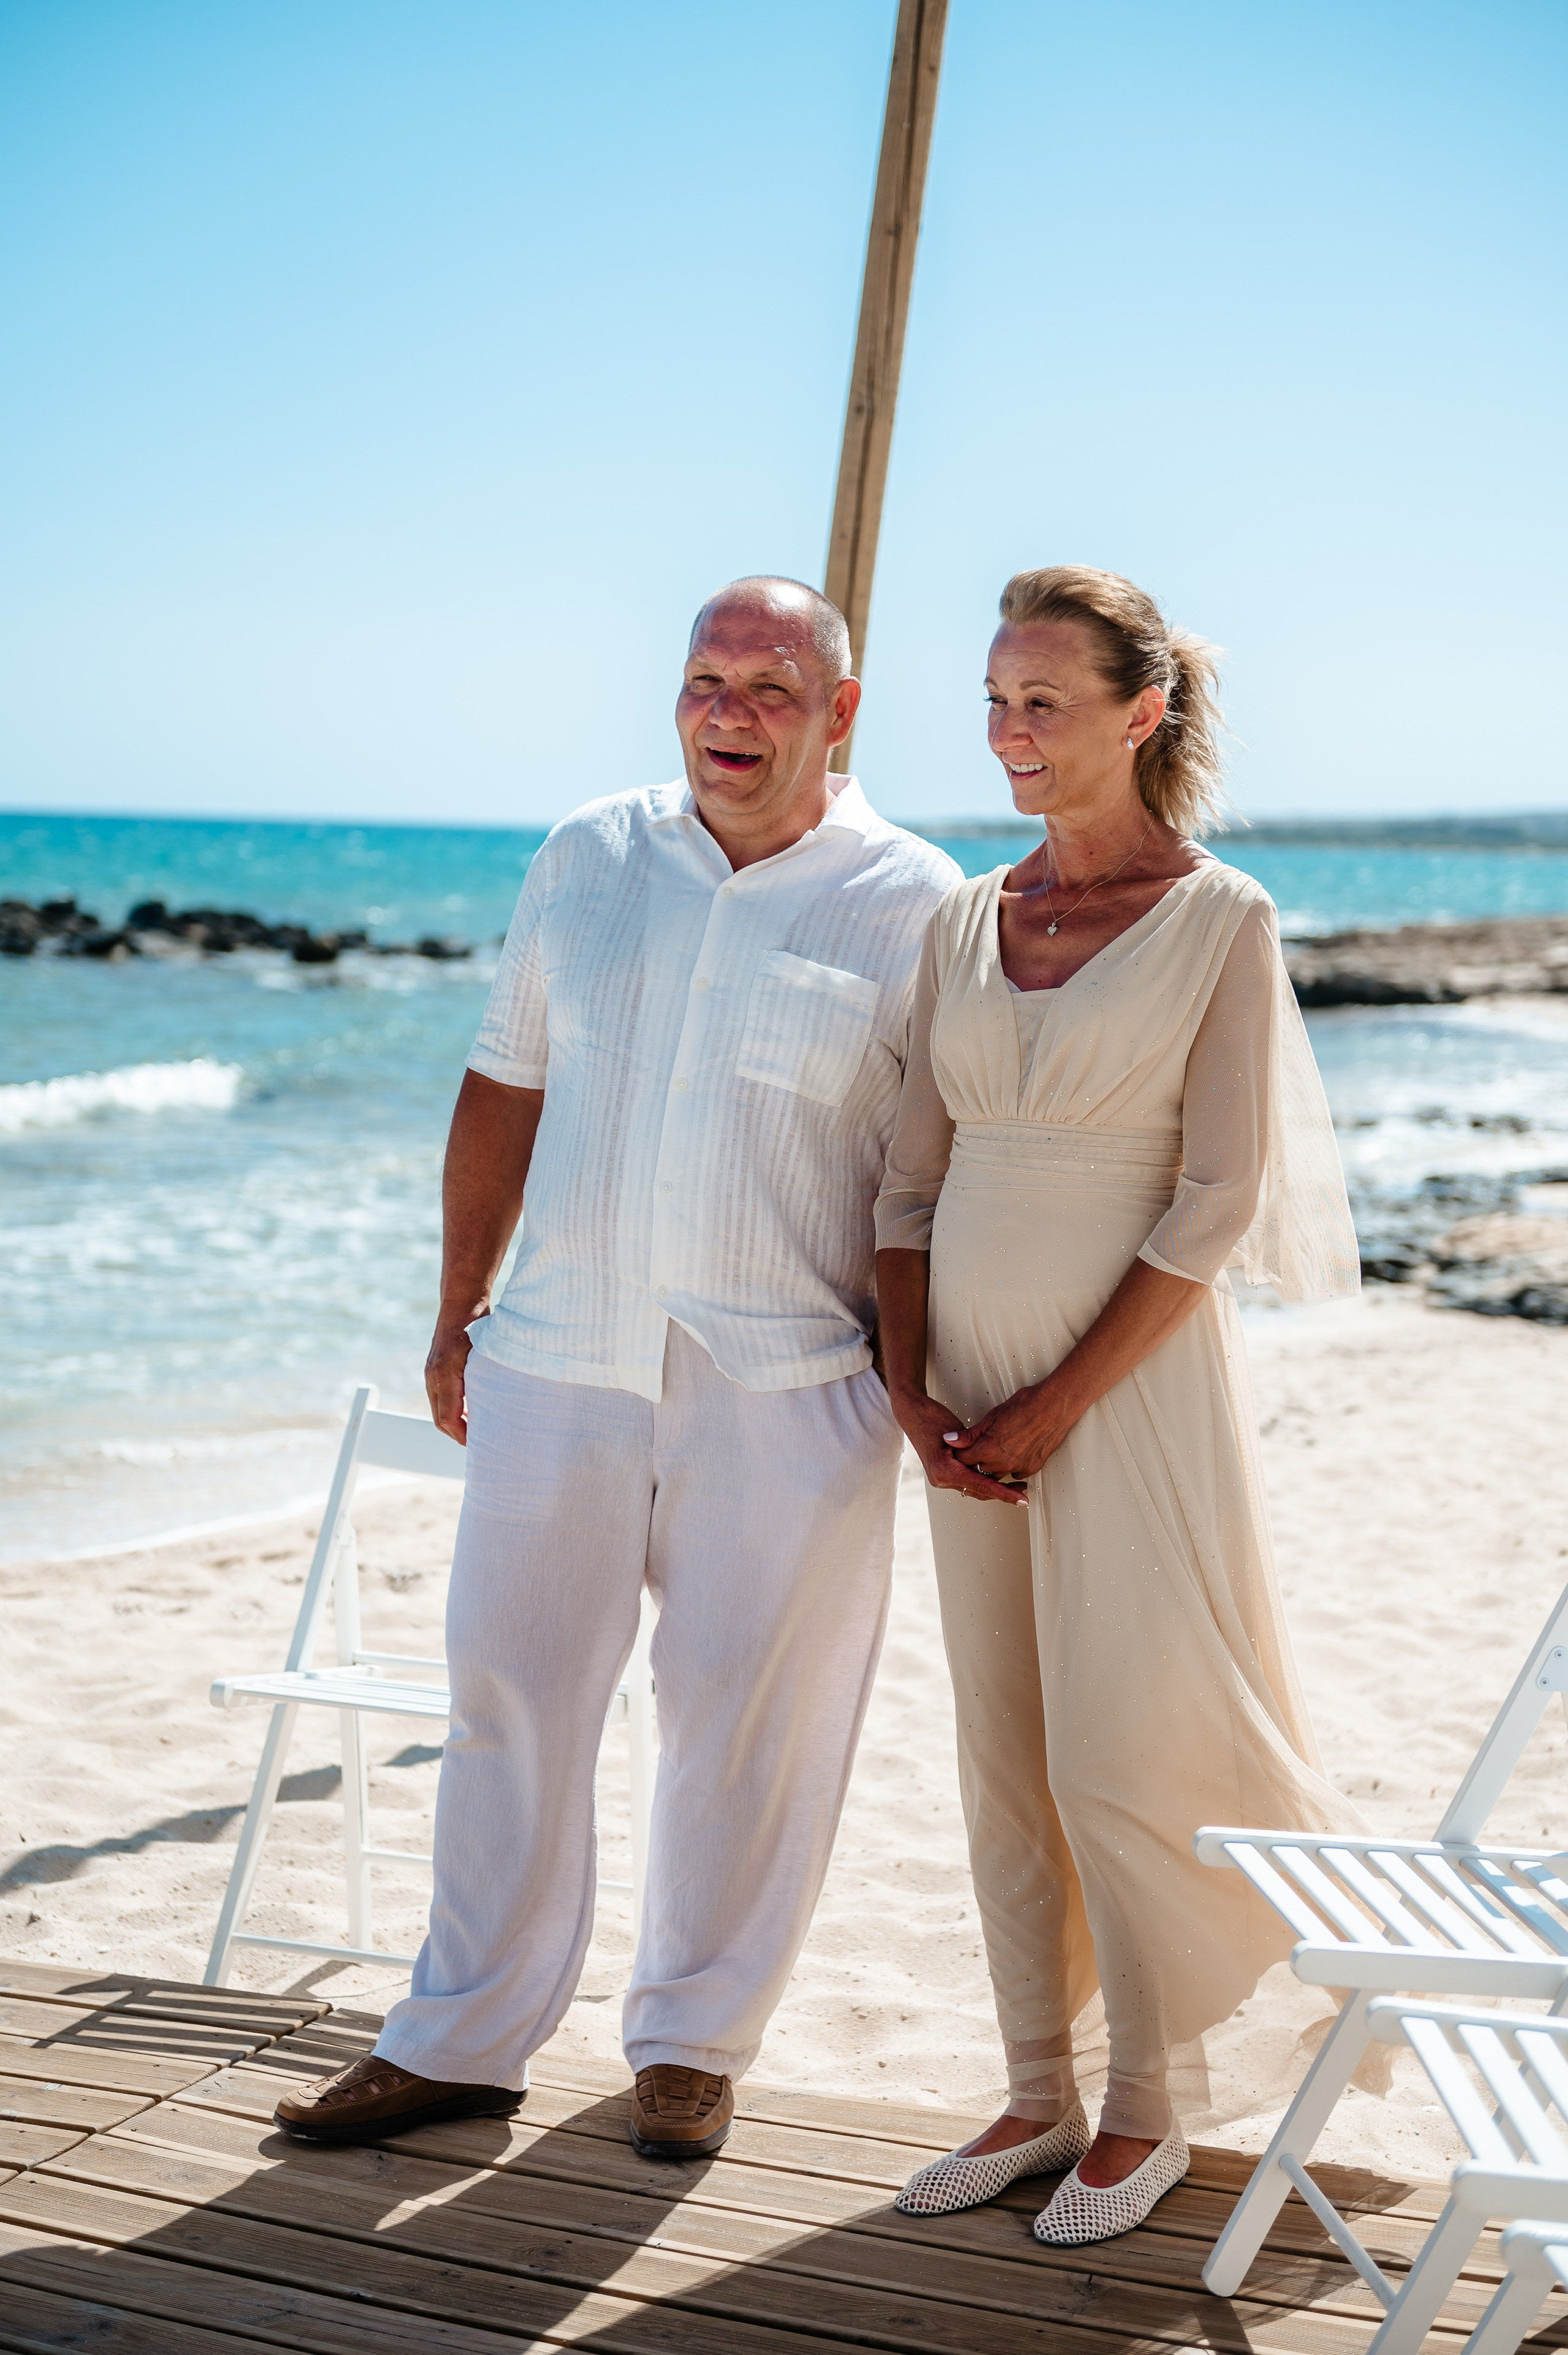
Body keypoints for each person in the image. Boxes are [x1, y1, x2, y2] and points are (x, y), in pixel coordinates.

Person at [272, 576, 959, 2157]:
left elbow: (932, 1173)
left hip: (791, 1377)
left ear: (840, 713)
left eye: (772, 689)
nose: (732, 713)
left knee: (746, 1720)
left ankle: (693, 2046)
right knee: (506, 1694)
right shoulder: (589, 851)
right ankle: (458, 2037)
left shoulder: (916, 899)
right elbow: (503, 1084)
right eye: (707, 680)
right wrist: (459, 1312)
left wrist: (904, 1380)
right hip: (558, 1350)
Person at [875, 565, 1360, 2247]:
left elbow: (1218, 1200)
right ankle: (1035, 2085)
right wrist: (910, 1393)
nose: (1011, 732)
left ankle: (1146, 2103)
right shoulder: (961, 920)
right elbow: (905, 1184)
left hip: (1130, 1401)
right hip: (960, 1412)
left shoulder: (1224, 918)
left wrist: (1056, 1404)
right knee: (1002, 1746)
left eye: (1045, 702)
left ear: (1142, 710)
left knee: (1123, 1745)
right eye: (998, 701)